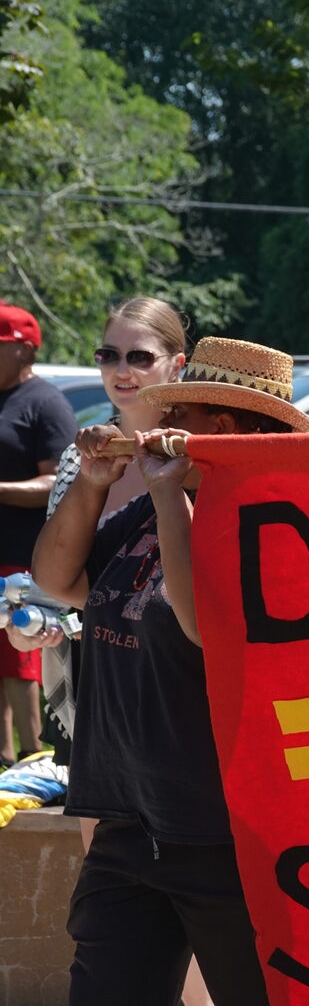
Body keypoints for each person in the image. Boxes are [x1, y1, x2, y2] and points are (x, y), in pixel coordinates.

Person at [0, 336, 309, 1006]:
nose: (166, 424)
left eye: (192, 417)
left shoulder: (263, 529)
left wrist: (169, 491)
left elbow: (207, 631)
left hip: (221, 822)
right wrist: (89, 479)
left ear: (235, 433)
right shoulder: (137, 514)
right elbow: (56, 582)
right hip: (127, 808)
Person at [37, 297, 241, 1006]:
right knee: (116, 897)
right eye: (109, 354)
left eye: (141, 356)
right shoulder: (84, 453)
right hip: (109, 712)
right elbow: (61, 585)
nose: (122, 371)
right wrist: (87, 482)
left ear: (176, 365)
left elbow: (200, 617)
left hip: (192, 736)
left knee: (200, 910)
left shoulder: (203, 462)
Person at [0, 302, 77, 765]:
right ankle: (4, 759)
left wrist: (2, 491)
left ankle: (34, 754)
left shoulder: (45, 402)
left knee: (21, 656)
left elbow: (61, 480)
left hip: (24, 556)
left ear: (23, 351)